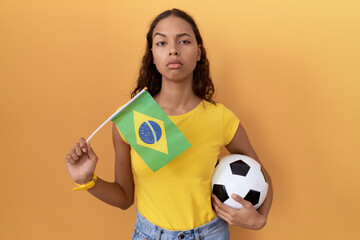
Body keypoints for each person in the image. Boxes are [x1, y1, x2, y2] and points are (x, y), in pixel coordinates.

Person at [65, 8, 273, 240]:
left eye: (184, 41)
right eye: (162, 43)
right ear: (152, 55)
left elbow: (262, 175)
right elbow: (124, 197)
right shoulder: (132, 118)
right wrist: (87, 180)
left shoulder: (221, 118)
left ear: (198, 52)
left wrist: (259, 219)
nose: (173, 50)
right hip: (149, 235)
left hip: (210, 234)